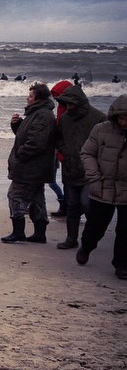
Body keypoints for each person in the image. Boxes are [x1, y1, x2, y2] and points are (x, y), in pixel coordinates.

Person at [76, 95, 127, 279]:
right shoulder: (101, 129)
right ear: (115, 116)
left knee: (125, 231)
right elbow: (87, 153)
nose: (124, 122)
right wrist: (94, 177)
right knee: (95, 227)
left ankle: (122, 264)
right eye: (121, 118)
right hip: (102, 185)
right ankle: (86, 247)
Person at [1, 82, 57, 244]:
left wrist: (21, 154)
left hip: (31, 167)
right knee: (37, 198)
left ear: (39, 98)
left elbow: (36, 142)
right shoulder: (37, 113)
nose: (27, 98)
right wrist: (17, 125)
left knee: (15, 195)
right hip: (36, 167)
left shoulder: (42, 115)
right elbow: (27, 135)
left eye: (31, 96)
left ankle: (18, 232)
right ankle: (39, 234)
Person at [53, 84, 107, 249]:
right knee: (72, 206)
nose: (68, 107)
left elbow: (107, 143)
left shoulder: (99, 117)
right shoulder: (64, 119)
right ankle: (71, 239)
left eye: (71, 104)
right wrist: (64, 150)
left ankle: (90, 238)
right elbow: (58, 138)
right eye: (66, 103)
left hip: (90, 171)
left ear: (80, 102)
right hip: (70, 168)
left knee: (87, 204)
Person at [48, 80, 73, 217]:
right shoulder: (60, 108)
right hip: (59, 150)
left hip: (66, 152)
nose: (56, 99)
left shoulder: (70, 110)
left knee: (59, 182)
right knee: (60, 181)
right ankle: (65, 206)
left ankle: (66, 206)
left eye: (57, 96)